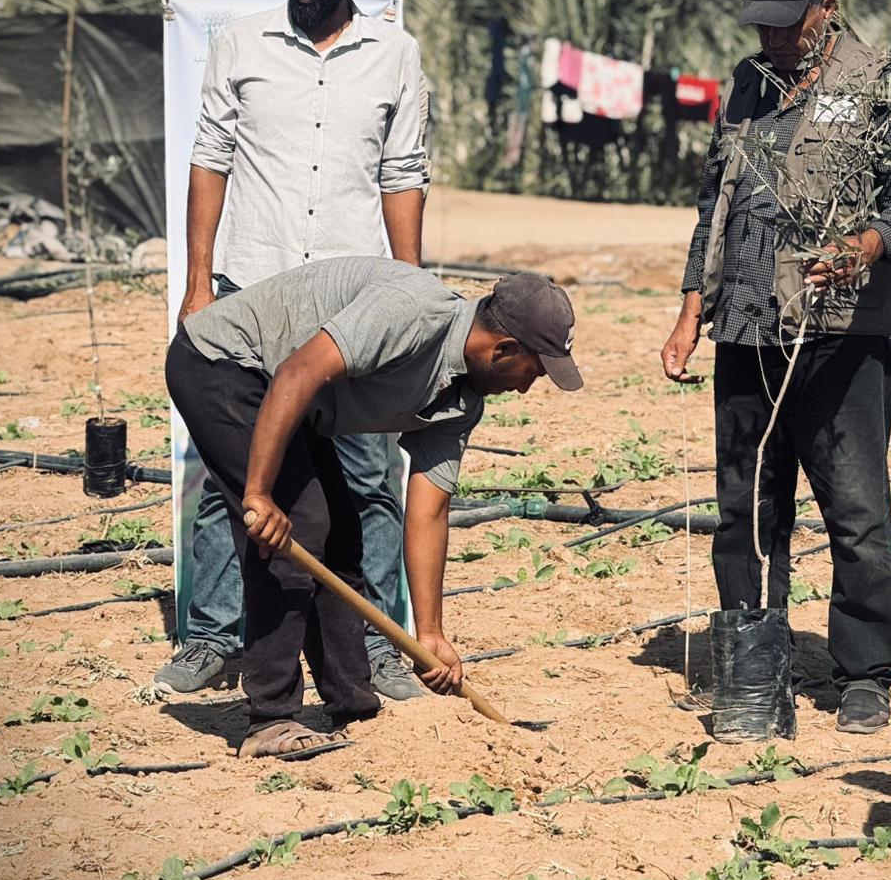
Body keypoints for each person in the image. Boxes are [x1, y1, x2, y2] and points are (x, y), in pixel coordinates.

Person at [158, 0, 430, 703]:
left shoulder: (395, 55)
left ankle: (377, 646)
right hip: (255, 292)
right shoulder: (239, 44)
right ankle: (213, 635)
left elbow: (402, 174)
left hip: (351, 304)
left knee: (368, 474)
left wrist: (409, 295)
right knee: (233, 479)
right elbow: (209, 162)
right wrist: (199, 282)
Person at [661, 0, 891, 736]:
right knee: (745, 506)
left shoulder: (879, 82)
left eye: (788, 24)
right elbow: (716, 201)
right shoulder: (747, 86)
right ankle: (752, 657)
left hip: (839, 332)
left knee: (854, 510)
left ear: (828, 6)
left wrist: (867, 246)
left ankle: (864, 672)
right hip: (746, 324)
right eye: (762, 26)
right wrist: (690, 309)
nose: (774, 40)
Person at [166, 257, 584, 757]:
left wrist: (429, 633)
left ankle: (351, 701)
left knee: (342, 535)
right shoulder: (411, 312)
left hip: (290, 393)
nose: (527, 385)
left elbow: (428, 512)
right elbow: (298, 371)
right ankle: (270, 720)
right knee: (296, 531)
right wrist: (259, 493)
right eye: (533, 371)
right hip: (226, 364)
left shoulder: (462, 401)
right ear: (503, 349)